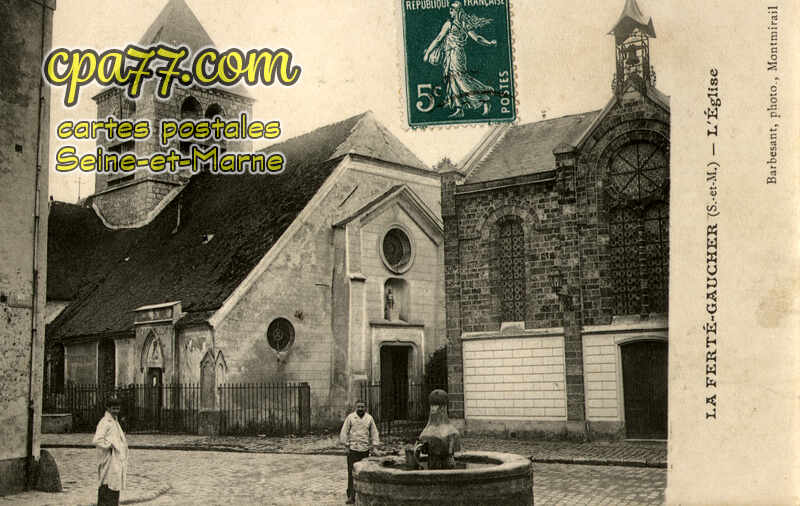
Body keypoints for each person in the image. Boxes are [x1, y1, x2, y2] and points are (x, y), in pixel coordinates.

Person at [423, 1, 497, 118]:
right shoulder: (457, 23)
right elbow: (439, 38)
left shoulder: (457, 24)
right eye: (450, 10)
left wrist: (489, 43)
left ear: (458, 11)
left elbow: (477, 38)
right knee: (452, 80)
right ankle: (459, 108)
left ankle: (484, 98)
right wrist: (489, 43)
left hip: (457, 55)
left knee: (461, 79)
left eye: (452, 10)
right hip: (449, 54)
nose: (450, 12)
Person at [339, 400, 380, 504]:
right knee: (351, 472)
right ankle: (351, 496)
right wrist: (346, 446)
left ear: (365, 408)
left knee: (363, 472)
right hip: (353, 449)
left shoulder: (369, 418)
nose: (360, 409)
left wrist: (375, 446)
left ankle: (362, 494)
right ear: (355, 407)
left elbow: (374, 433)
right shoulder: (350, 418)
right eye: (358, 407)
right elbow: (344, 432)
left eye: (362, 407)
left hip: (364, 450)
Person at [92, 395, 128, 506]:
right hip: (108, 460)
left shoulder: (115, 422)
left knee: (114, 486)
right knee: (107, 485)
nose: (116, 411)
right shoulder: (105, 422)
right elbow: (97, 440)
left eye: (117, 408)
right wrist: (110, 445)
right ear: (108, 408)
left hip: (116, 461)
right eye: (113, 408)